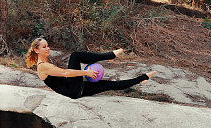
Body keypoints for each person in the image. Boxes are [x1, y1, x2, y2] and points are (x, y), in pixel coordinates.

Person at [25, 37, 157, 99]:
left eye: (47, 46)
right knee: (75, 56)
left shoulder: (46, 63)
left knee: (109, 84)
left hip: (76, 91)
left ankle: (143, 78)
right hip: (73, 89)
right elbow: (65, 73)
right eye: (44, 47)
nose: (48, 48)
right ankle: (110, 55)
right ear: (36, 50)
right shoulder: (42, 66)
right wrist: (86, 72)